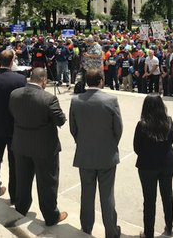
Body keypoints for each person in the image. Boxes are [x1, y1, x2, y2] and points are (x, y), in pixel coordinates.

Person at [9, 67, 69, 226]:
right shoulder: (49, 98)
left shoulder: (14, 94)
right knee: (47, 182)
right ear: (43, 80)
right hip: (44, 147)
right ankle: (51, 216)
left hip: (21, 144)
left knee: (22, 179)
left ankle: (21, 209)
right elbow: (61, 121)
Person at [69, 68, 123, 238]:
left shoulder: (76, 100)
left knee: (87, 194)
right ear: (101, 81)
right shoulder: (111, 100)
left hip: (85, 154)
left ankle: (86, 229)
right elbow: (118, 129)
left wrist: (83, 143)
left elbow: (73, 129)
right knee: (107, 195)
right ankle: (111, 232)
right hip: (106, 154)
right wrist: (110, 145)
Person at [0, 49, 26, 197]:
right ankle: (14, 194)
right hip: (14, 126)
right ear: (12, 61)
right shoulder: (20, 80)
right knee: (14, 163)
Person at [134, 94, 173, 238]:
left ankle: (148, 233)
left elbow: (137, 148)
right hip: (166, 162)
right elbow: (170, 141)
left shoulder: (142, 124)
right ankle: (169, 226)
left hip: (147, 165)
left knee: (149, 200)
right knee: (167, 195)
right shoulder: (169, 122)